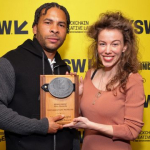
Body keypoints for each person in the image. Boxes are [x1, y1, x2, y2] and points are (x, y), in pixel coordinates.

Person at [0, 2, 79, 150]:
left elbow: (71, 125)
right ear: (35, 28)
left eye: (61, 25)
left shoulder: (64, 68)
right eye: (48, 22)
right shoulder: (10, 62)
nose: (55, 29)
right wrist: (40, 126)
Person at [64, 11, 145, 150]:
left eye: (115, 44)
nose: (107, 50)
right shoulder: (90, 74)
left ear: (124, 47)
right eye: (102, 44)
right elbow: (78, 119)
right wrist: (77, 96)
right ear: (97, 46)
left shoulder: (133, 80)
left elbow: (132, 131)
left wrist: (91, 126)